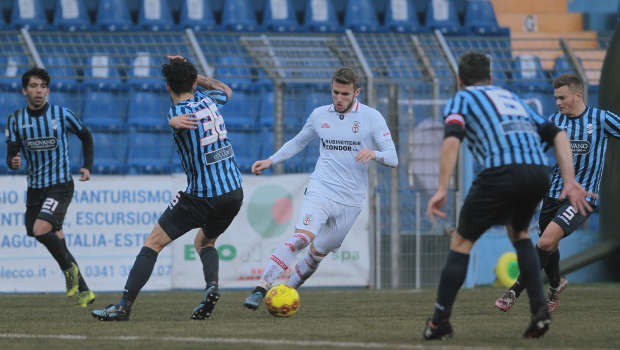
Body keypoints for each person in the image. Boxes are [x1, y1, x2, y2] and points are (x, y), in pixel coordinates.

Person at [423, 52, 594, 340]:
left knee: (461, 241)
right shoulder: (511, 97)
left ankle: (439, 321)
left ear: (459, 80)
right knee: (520, 234)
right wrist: (570, 181)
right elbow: (559, 135)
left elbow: (452, 140)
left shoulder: (461, 98)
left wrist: (441, 188)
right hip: (538, 173)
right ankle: (540, 311)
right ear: (490, 78)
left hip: (500, 171)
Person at [91, 56, 243, 321]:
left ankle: (123, 306)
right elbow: (226, 90)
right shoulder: (209, 100)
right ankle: (212, 287)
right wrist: (196, 73)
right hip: (234, 192)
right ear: (195, 83)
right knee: (205, 242)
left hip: (202, 195)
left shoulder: (177, 110)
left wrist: (174, 122)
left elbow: (175, 119)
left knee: (153, 243)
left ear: (166, 87)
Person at [243, 67, 398, 310]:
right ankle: (261, 288)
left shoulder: (372, 117)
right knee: (302, 239)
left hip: (351, 200)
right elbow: (298, 142)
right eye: (335, 92)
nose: (339, 98)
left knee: (316, 254)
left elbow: (393, 158)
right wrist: (271, 160)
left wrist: (374, 153)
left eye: (345, 94)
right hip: (322, 189)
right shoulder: (319, 115)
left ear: (357, 92)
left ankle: (286, 292)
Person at [495, 72, 620, 313]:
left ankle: (514, 291)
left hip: (582, 197)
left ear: (578, 95)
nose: (558, 102)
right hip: (552, 196)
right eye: (556, 98)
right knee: (548, 246)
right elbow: (532, 151)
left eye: (562, 97)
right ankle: (556, 284)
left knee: (545, 241)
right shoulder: (554, 122)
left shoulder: (601, 119)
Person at [5, 67, 96, 307]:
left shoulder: (62, 114)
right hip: (35, 188)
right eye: (34, 86)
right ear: (24, 90)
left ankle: (68, 270)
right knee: (51, 236)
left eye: (43, 86)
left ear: (48, 90)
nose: (39, 90)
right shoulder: (15, 120)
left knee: (40, 229)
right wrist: (13, 162)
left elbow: (86, 136)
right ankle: (85, 290)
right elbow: (11, 157)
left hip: (60, 185)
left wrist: (87, 166)